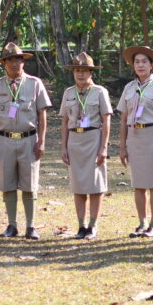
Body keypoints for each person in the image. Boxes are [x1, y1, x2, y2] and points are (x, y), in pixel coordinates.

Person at [0, 42, 52, 240]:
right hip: (4, 140)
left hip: (28, 139)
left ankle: (31, 226)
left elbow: (42, 114)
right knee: (8, 184)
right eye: (10, 60)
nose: (14, 63)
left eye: (18, 59)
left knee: (30, 184)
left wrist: (42, 141)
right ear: (3, 63)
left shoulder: (34, 83)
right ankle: (12, 225)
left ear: (23, 62)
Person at [117, 45, 153, 237]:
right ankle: (142, 223)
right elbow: (124, 119)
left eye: (144, 62)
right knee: (138, 184)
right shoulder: (129, 87)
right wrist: (123, 146)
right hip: (135, 138)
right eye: (137, 62)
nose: (140, 65)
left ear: (151, 65)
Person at [58, 53, 113, 240]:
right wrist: (64, 147)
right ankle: (81, 225)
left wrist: (103, 148)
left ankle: (93, 225)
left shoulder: (100, 92)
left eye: (84, 71)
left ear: (91, 73)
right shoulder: (68, 93)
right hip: (74, 140)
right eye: (77, 70)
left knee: (96, 185)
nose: (80, 74)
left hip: (93, 138)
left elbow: (106, 120)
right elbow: (65, 121)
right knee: (78, 185)